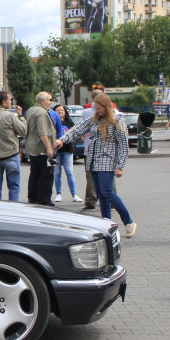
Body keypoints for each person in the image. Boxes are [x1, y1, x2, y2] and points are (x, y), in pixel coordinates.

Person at [57, 94, 137, 237]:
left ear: (106, 107)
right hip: (93, 161)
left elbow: (124, 146)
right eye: (95, 108)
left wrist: (120, 166)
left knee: (107, 192)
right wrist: (62, 140)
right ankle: (107, 225)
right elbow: (77, 130)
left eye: (99, 108)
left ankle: (129, 221)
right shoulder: (93, 120)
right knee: (101, 195)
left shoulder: (117, 121)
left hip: (107, 161)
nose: (97, 111)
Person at [24, 92, 56, 206]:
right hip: (41, 148)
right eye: (49, 99)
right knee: (46, 174)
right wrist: (49, 148)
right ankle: (44, 199)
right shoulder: (41, 112)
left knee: (34, 174)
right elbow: (43, 132)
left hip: (32, 148)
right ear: (42, 101)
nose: (50, 102)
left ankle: (32, 197)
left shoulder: (31, 110)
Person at [52, 104, 81, 202]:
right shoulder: (52, 122)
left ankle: (74, 194)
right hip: (56, 151)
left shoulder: (69, 122)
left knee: (69, 172)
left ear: (65, 112)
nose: (60, 112)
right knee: (57, 172)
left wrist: (72, 145)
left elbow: (74, 135)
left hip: (67, 150)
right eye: (57, 110)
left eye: (61, 110)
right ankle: (58, 194)